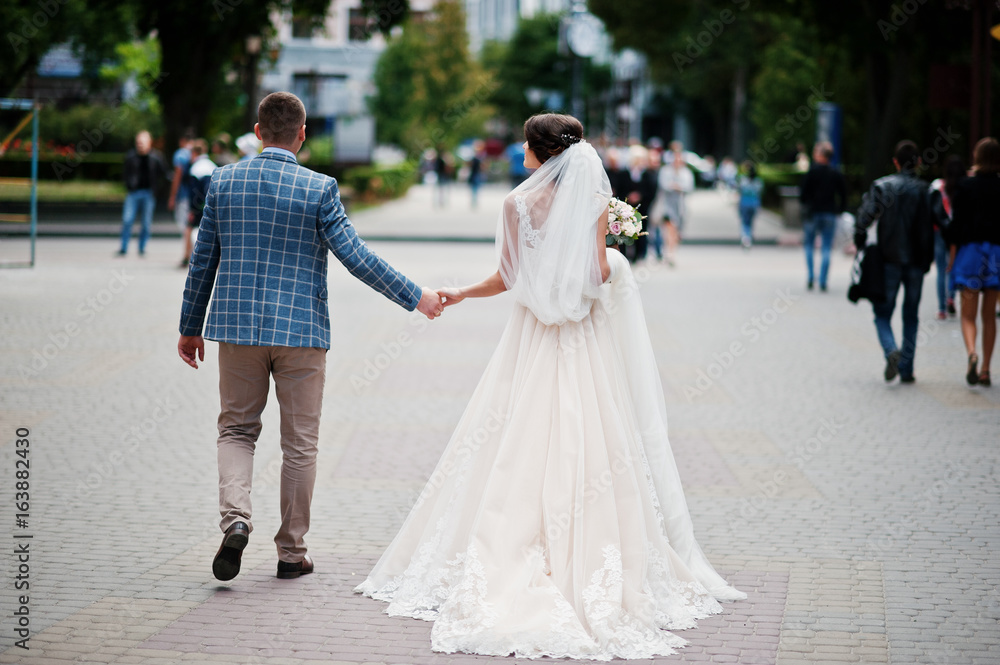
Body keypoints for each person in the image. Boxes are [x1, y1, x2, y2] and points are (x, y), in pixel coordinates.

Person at [356, 113, 745, 660]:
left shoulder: (516, 204)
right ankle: (593, 557)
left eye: (524, 142)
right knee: (593, 443)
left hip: (533, 339)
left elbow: (507, 277)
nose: (519, 149)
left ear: (540, 151)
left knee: (515, 441)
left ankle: (513, 547)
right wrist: (612, 253)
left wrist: (460, 293)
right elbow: (594, 276)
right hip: (584, 340)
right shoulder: (591, 203)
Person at [177, 92, 445, 582]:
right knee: (300, 444)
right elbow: (357, 258)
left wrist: (189, 326)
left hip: (235, 331)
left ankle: (236, 519)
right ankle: (291, 552)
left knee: (236, 430)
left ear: (257, 132)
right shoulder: (319, 188)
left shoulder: (223, 180)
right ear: (302, 135)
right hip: (302, 332)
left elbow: (203, 259)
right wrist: (416, 296)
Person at [854, 140, 934, 383]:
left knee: (882, 313)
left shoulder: (882, 186)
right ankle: (907, 369)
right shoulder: (926, 190)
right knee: (911, 314)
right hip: (917, 262)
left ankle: (891, 351)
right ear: (918, 162)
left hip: (889, 259)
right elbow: (938, 223)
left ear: (896, 162)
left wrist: (860, 242)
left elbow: (864, 218)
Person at [946, 137, 1000, 386]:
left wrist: (951, 256)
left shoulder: (966, 187)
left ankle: (972, 353)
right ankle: (987, 369)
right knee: (989, 315)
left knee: (968, 316)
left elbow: (956, 226)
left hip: (971, 254)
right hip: (996, 256)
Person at [800, 141, 848, 290]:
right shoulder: (835, 172)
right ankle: (823, 281)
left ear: (820, 154)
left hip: (812, 213)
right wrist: (839, 210)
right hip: (829, 213)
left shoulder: (812, 172)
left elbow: (802, 194)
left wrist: (806, 204)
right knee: (826, 247)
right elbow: (844, 194)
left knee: (809, 245)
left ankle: (810, 277)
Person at [117, 130, 168, 257]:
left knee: (146, 223)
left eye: (142, 142)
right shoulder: (130, 156)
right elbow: (125, 173)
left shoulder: (156, 157)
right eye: (138, 142)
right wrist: (128, 185)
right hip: (133, 193)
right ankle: (123, 247)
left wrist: (159, 189)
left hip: (149, 193)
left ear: (149, 143)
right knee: (127, 220)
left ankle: (142, 247)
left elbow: (165, 174)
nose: (140, 145)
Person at [930, 155, 964, 319]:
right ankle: (951, 297)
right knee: (953, 267)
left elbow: (931, 210)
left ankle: (941, 309)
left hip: (939, 232)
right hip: (958, 233)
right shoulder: (964, 187)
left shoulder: (938, 186)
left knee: (941, 269)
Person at [658, 148, 694, 266]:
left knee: (677, 230)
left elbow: (689, 187)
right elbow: (663, 185)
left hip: (681, 205)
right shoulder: (665, 171)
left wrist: (678, 186)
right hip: (667, 204)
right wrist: (673, 186)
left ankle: (671, 250)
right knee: (669, 227)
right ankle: (669, 252)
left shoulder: (686, 172)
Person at [181, 139, 217, 260]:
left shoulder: (195, 168)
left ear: (194, 153)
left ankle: (188, 256)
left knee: (190, 229)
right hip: (212, 203)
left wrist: (192, 209)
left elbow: (194, 193)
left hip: (199, 205)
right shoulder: (212, 165)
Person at [622, 144, 657, 262]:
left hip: (642, 207)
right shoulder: (625, 173)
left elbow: (651, 190)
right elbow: (620, 188)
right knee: (625, 229)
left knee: (641, 230)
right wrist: (628, 197)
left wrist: (640, 196)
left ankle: (640, 254)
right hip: (627, 207)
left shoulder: (647, 174)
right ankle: (625, 254)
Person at [169, 130, 195, 266]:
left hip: (183, 194)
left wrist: (172, 196)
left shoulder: (180, 154)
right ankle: (190, 253)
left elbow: (177, 176)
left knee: (184, 225)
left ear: (181, 141)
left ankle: (187, 254)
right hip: (194, 194)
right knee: (190, 224)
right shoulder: (195, 152)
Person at [737, 161, 763, 249]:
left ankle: (745, 238)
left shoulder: (743, 180)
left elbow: (739, 191)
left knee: (745, 222)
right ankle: (749, 236)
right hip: (754, 204)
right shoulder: (758, 182)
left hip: (744, 203)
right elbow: (759, 193)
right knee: (751, 222)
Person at [468, 142, 484, 209]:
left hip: (473, 174)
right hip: (476, 175)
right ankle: (474, 202)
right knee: (475, 189)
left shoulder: (473, 159)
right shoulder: (478, 159)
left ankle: (473, 202)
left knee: (473, 189)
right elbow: (481, 168)